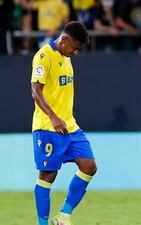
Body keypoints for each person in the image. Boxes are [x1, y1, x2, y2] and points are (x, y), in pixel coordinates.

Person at [31, 21, 96, 225]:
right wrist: (53, 116)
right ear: (64, 39)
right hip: (48, 127)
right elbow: (35, 90)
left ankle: (63, 216)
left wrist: (63, 119)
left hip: (70, 126)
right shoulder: (43, 56)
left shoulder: (66, 57)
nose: (76, 52)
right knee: (47, 176)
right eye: (75, 47)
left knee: (89, 166)